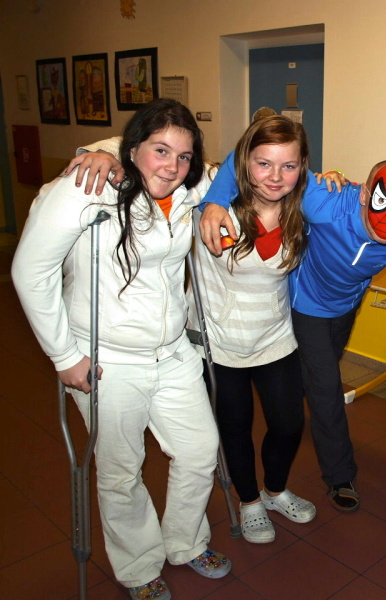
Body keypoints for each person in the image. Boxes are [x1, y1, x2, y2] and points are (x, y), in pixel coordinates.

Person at [12, 99, 231, 600]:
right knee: (121, 471)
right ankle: (138, 567)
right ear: (132, 149)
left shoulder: (190, 185)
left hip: (172, 352)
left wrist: (221, 199)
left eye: (183, 155)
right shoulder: (89, 185)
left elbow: (244, 169)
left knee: (200, 450)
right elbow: (30, 271)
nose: (171, 166)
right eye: (160, 150)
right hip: (106, 359)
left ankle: (185, 542)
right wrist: (64, 356)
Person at [199, 157, 386, 512]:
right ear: (365, 194)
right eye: (381, 202)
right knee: (326, 389)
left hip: (347, 306)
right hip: (306, 304)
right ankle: (340, 475)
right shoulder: (325, 202)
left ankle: (289, 403)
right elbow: (244, 155)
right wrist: (213, 202)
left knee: (312, 378)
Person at [185, 115, 316, 543]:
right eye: (263, 163)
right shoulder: (208, 192)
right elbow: (154, 156)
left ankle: (274, 490)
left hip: (274, 337)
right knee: (235, 427)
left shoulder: (304, 209)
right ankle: (248, 501)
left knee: (289, 424)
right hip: (219, 343)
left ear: (302, 167)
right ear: (243, 162)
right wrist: (95, 155)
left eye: (288, 165)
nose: (276, 176)